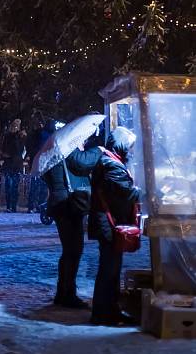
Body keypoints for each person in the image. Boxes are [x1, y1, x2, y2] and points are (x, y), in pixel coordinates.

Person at [89, 127, 140, 326]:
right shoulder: (111, 164)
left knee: (112, 268)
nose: (130, 150)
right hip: (108, 225)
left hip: (108, 224)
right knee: (109, 269)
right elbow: (126, 193)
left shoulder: (110, 160)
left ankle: (110, 309)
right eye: (129, 146)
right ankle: (103, 313)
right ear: (121, 144)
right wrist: (145, 191)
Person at [43, 139, 101, 308]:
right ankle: (67, 295)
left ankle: (64, 292)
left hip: (60, 203)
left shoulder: (52, 153)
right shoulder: (66, 149)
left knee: (70, 251)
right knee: (73, 250)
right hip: (67, 204)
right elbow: (82, 162)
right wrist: (97, 149)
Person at [1, 119, 28, 212]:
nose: (14, 127)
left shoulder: (21, 137)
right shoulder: (7, 136)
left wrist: (19, 137)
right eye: (13, 125)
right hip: (8, 164)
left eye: (16, 126)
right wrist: (4, 154)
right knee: (8, 186)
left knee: (15, 187)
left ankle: (13, 206)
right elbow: (4, 149)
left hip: (16, 164)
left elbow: (20, 150)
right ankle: (9, 206)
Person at [27, 118, 53, 212]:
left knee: (37, 185)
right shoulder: (49, 135)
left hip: (38, 162)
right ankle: (38, 205)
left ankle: (32, 206)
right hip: (44, 163)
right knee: (42, 185)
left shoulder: (39, 134)